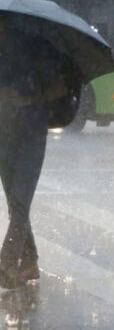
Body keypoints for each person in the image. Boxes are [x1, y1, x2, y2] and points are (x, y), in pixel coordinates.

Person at [0, 20, 69, 289]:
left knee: (19, 201)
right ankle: (29, 262)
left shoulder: (36, 50)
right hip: (3, 136)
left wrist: (26, 99)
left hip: (30, 135)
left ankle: (6, 264)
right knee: (16, 203)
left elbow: (59, 88)